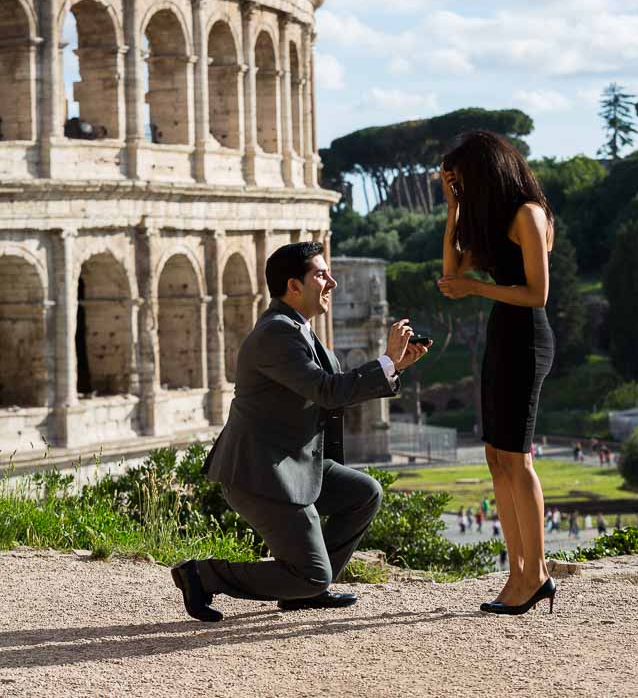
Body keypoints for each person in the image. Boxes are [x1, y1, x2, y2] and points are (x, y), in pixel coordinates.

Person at [170, 241, 431, 622]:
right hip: (261, 473)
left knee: (364, 494)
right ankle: (202, 574)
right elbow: (327, 391)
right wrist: (386, 360)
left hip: (292, 463)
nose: (332, 282)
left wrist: (395, 367)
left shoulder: (299, 329)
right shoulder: (277, 334)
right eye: (321, 275)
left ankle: (304, 590)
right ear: (294, 286)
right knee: (310, 574)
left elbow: (331, 388)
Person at [438, 132, 557, 616]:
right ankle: (516, 574)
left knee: (519, 459)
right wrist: (452, 211)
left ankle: (539, 574)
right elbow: (450, 279)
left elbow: (537, 294)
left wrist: (477, 287)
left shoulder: (529, 214)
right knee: (496, 457)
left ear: (485, 172)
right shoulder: (487, 219)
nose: (459, 188)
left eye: (461, 180)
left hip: (527, 338)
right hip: (501, 338)